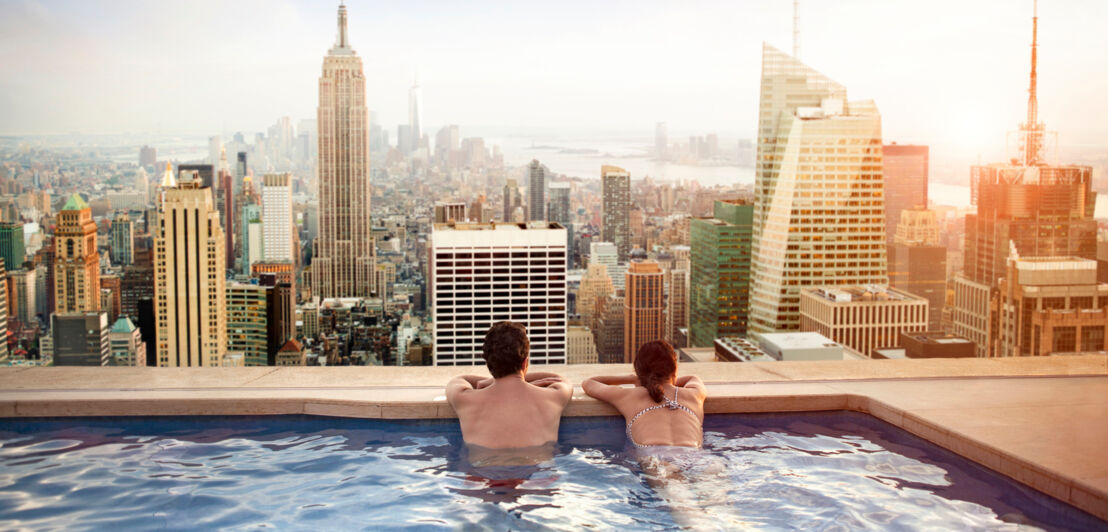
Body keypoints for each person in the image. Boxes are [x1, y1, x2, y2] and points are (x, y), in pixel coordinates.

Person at [446, 321, 573, 466]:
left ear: (488, 362)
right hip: (536, 481)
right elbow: (560, 380)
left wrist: (489, 382)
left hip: (483, 478)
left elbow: (459, 379)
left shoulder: (464, 399)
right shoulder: (553, 398)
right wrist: (523, 380)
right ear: (525, 362)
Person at [582, 340, 707, 449]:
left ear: (638, 372)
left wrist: (633, 379)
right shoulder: (694, 395)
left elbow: (589, 383)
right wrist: (666, 383)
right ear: (674, 370)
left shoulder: (628, 396)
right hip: (694, 456)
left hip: (656, 458)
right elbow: (693, 378)